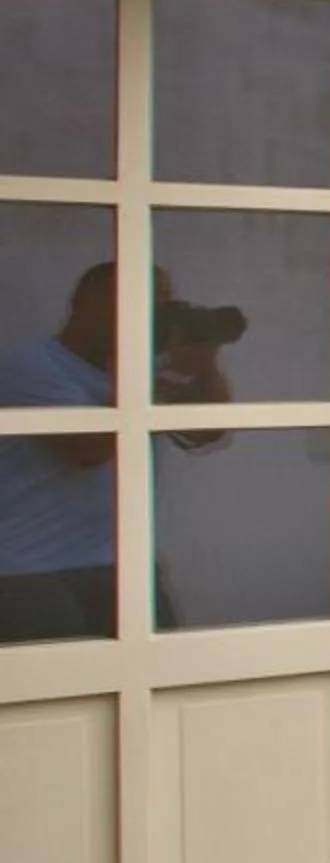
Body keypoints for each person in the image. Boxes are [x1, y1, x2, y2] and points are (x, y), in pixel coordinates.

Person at [0, 263, 232, 643]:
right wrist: (152, 373)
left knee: (157, 682)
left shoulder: (137, 376)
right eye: (131, 301)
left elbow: (207, 430)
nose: (145, 316)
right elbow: (89, 448)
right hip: (34, 572)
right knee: (58, 693)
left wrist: (205, 365)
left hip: (126, 564)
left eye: (158, 306)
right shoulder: (32, 366)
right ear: (82, 305)